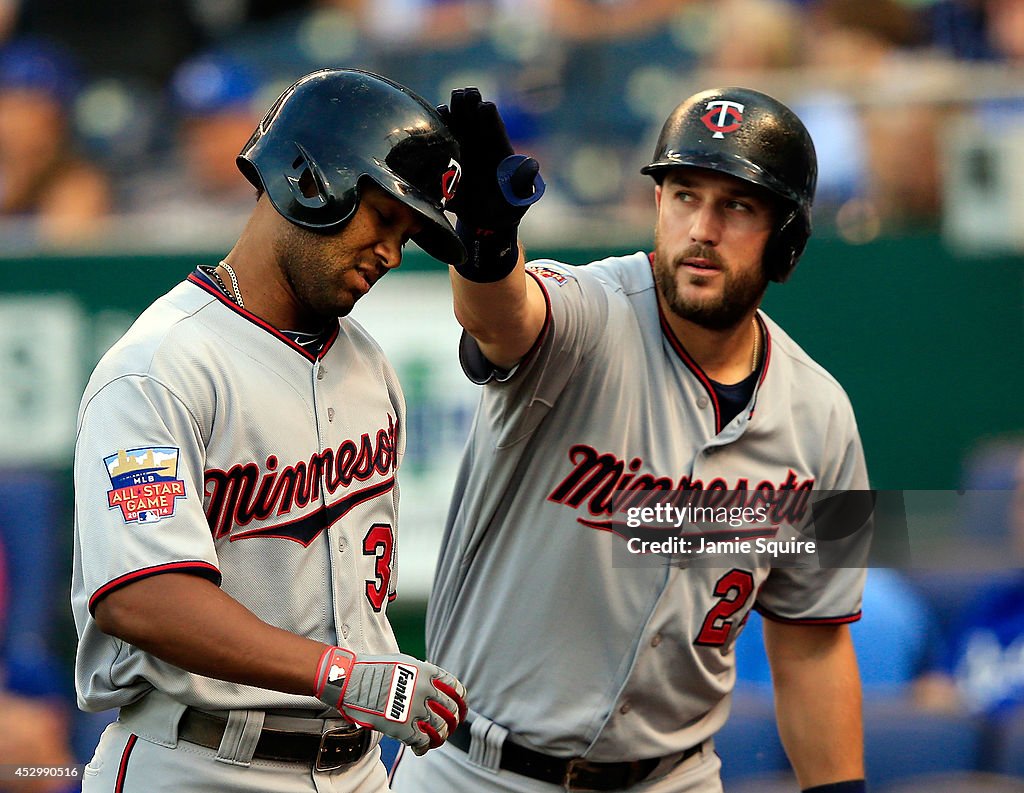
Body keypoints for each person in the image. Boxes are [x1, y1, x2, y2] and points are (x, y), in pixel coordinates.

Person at [390, 86, 870, 792]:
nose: (701, 227)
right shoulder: (588, 312)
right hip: (476, 769)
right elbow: (504, 318)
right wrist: (488, 248)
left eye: (735, 205)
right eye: (683, 194)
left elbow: (814, 639)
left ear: (787, 235)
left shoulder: (824, 414)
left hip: (673, 777)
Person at [71, 68, 468, 793]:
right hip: (196, 759)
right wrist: (339, 672)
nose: (390, 252)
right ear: (308, 181)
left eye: (406, 235)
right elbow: (142, 596)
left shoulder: (368, 366)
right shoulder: (159, 364)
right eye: (383, 217)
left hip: (356, 767)